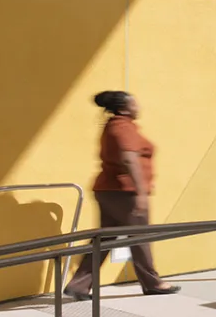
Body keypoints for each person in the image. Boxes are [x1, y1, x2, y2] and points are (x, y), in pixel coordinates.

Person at [65, 91, 179, 300]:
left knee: (104, 239)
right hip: (124, 192)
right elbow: (129, 159)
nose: (139, 107)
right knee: (140, 237)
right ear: (125, 108)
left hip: (110, 190)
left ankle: (79, 285)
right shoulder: (123, 128)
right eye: (135, 103)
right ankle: (153, 283)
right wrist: (140, 191)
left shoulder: (115, 126)